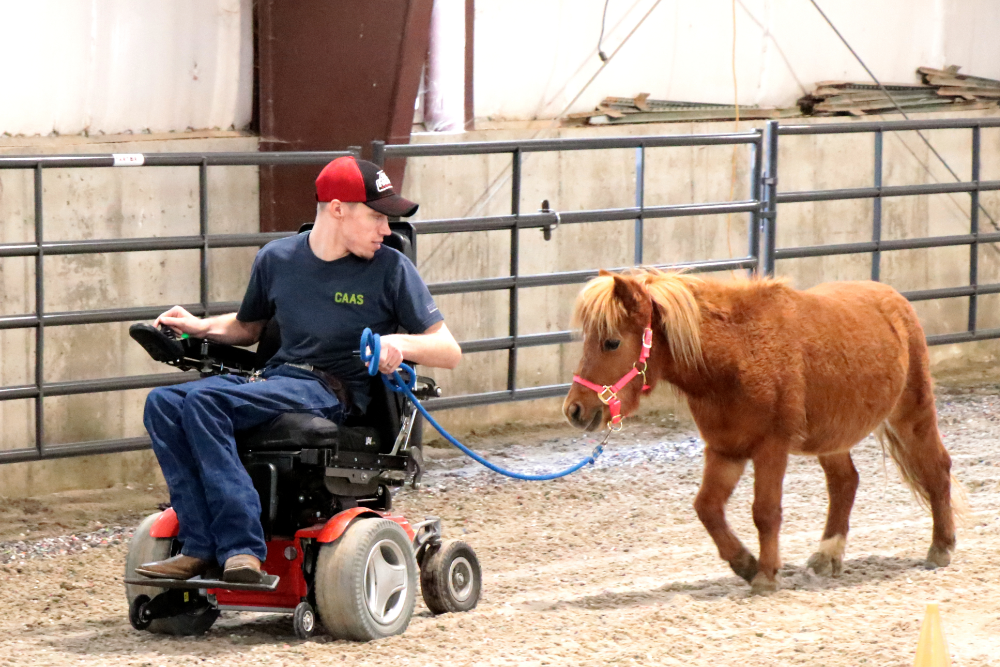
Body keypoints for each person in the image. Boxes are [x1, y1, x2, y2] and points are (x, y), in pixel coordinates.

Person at [135, 156, 461, 583]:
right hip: (277, 380)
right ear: (338, 208)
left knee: (205, 399)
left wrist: (398, 343)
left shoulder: (391, 269)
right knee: (162, 402)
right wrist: (199, 326)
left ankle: (238, 548)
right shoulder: (277, 259)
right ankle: (201, 544)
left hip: (330, 391)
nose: (386, 230)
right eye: (377, 217)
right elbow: (246, 327)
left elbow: (448, 349)